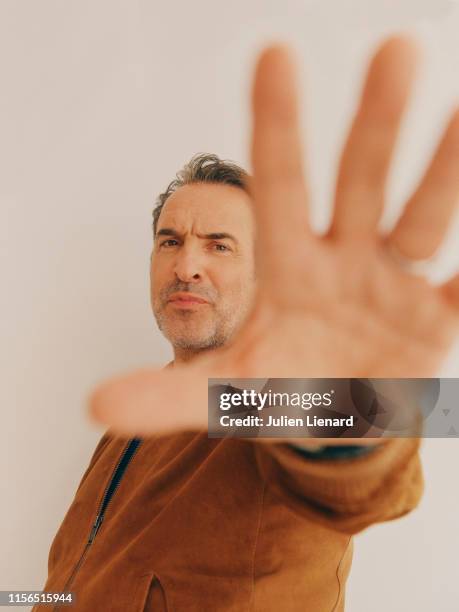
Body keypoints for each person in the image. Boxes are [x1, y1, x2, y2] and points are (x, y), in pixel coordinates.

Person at [34, 34, 459, 611]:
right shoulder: (134, 420)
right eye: (170, 241)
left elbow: (353, 466)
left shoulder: (257, 404)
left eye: (220, 245)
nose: (187, 265)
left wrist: (348, 389)